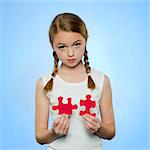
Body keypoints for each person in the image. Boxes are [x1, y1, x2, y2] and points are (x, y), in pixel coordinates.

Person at [35, 12, 115, 150]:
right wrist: (54, 133)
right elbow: (40, 136)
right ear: (52, 46)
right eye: (62, 47)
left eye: (77, 44)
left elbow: (111, 132)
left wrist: (99, 128)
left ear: (86, 40)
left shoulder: (102, 80)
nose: (71, 53)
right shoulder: (44, 83)